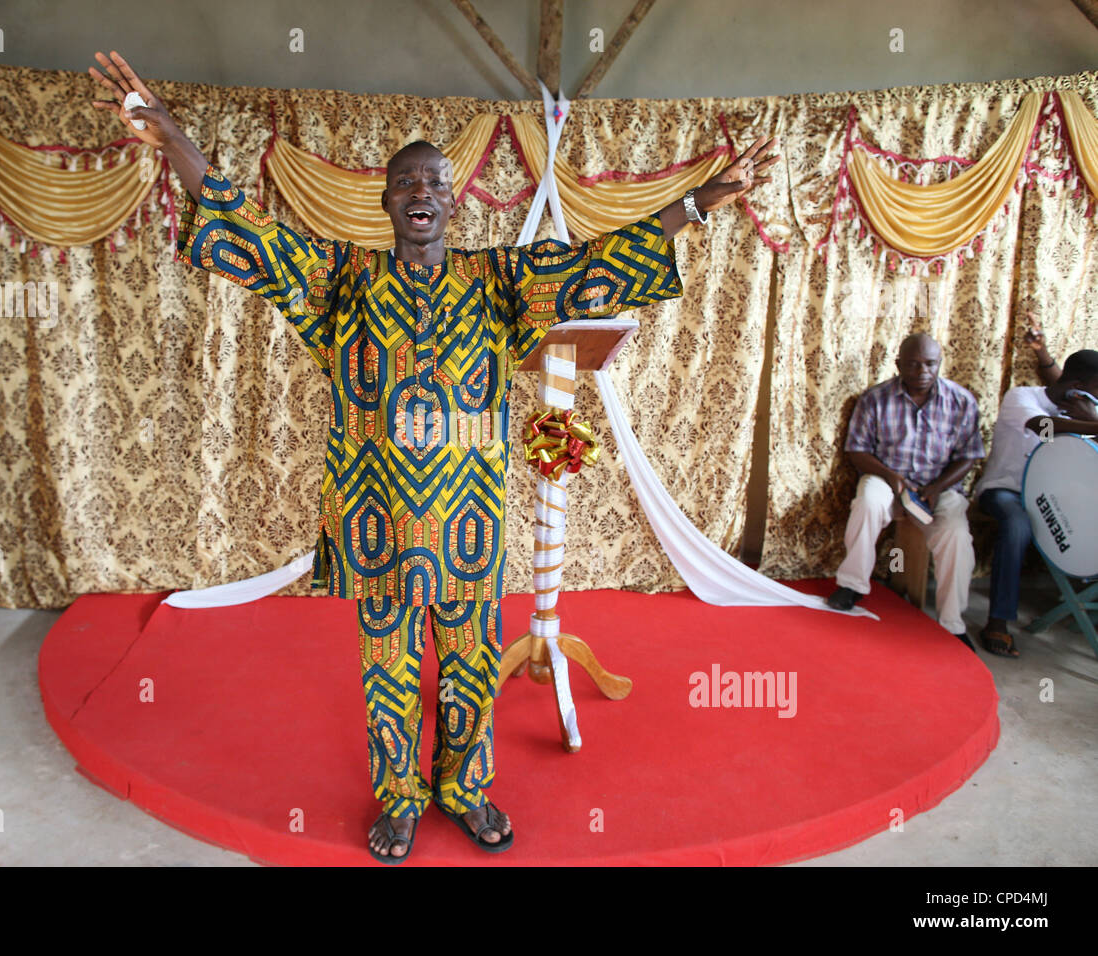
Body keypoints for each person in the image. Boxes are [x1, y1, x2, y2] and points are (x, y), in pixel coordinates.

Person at [89, 50, 779, 862]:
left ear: (455, 203)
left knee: (471, 664)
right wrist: (171, 134)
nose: (421, 194)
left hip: (468, 518)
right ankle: (399, 797)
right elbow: (246, 227)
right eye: (407, 184)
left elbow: (598, 264)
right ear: (386, 201)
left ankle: (463, 788)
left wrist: (695, 205)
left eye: (435, 184)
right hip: (374, 513)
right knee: (385, 668)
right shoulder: (340, 280)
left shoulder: (502, 282)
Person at [827, 334, 985, 648]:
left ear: (939, 363)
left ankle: (952, 623)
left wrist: (937, 488)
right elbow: (857, 451)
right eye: (913, 364)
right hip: (887, 478)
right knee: (868, 505)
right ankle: (852, 584)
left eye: (930, 363)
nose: (922, 371)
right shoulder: (875, 399)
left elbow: (970, 455)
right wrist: (891, 477)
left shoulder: (961, 401)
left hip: (940, 486)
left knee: (956, 537)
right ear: (899, 364)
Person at [973, 327, 1098, 658]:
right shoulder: (1022, 398)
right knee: (1017, 525)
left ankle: (1085, 598)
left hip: (1056, 501)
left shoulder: (1081, 412)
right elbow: (1042, 427)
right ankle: (997, 623)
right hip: (1005, 492)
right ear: (1077, 389)